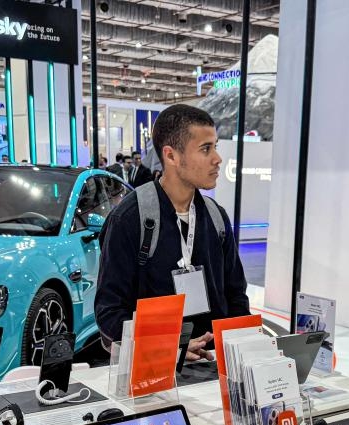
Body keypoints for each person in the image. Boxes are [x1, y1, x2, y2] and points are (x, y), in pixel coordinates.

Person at [95, 104, 249, 361]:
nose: (217, 159)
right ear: (171, 156)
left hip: (212, 369)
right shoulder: (130, 219)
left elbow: (236, 295)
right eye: (205, 149)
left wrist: (239, 350)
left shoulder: (215, 217)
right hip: (152, 372)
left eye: (215, 147)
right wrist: (168, 348)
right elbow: (110, 312)